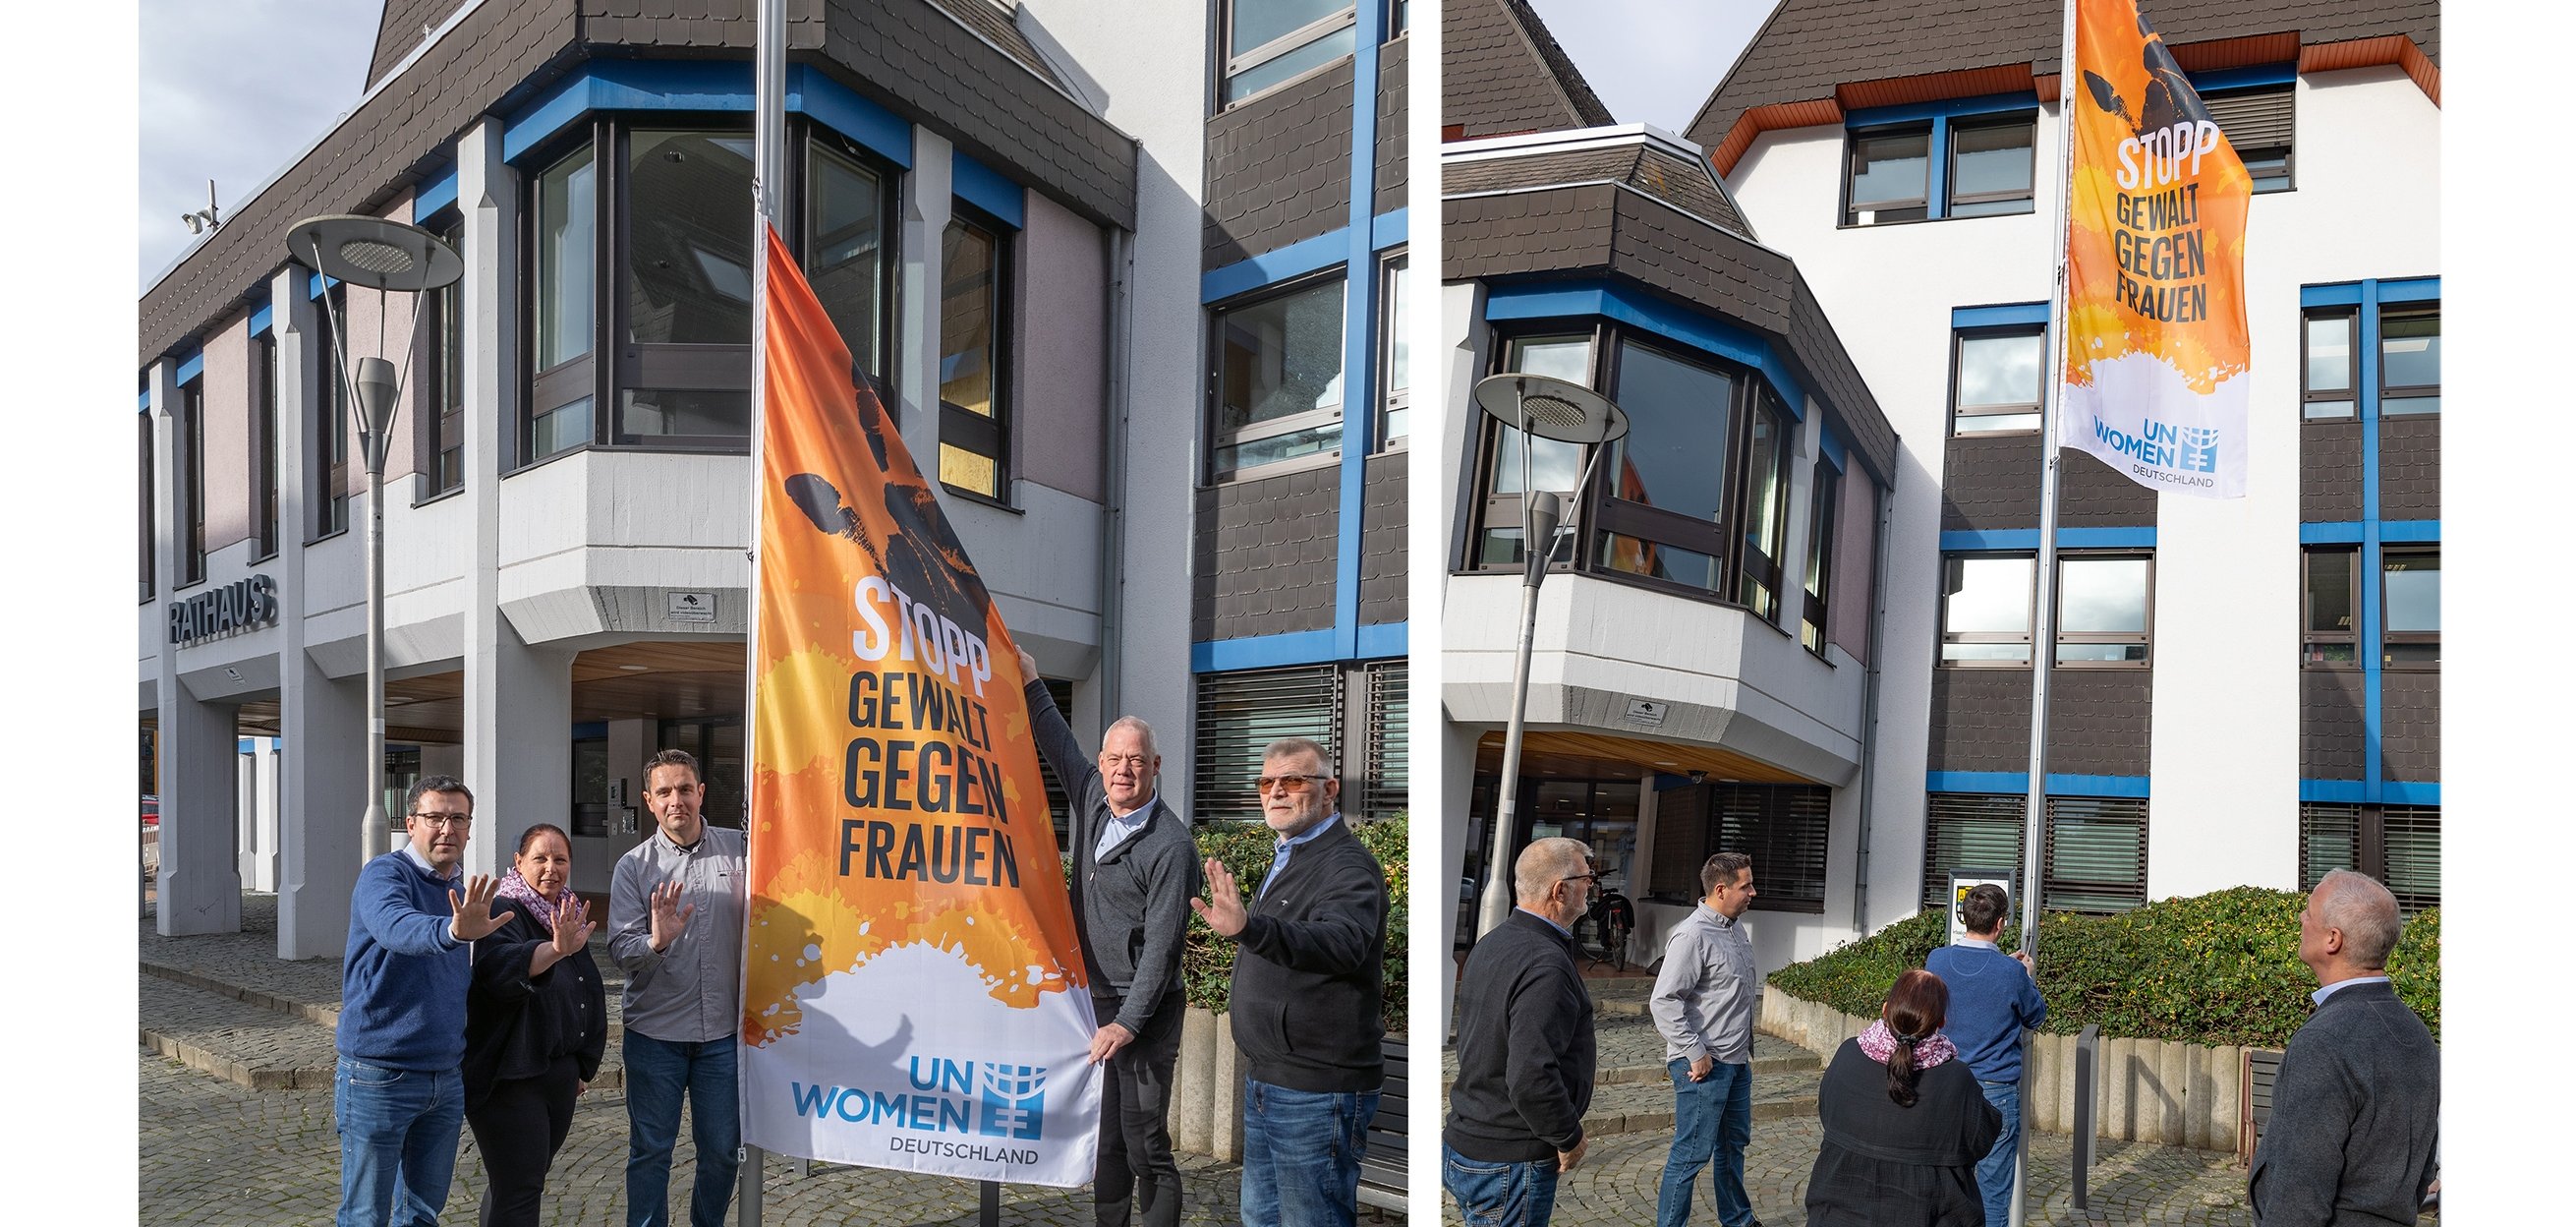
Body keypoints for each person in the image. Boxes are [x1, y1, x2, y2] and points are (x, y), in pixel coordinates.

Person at [1018, 647, 1201, 1227]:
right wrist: (1029, 678)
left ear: (1156, 766)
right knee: (1107, 1140)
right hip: (1095, 1001)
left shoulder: (1170, 847)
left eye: (1136, 760)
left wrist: (1127, 1024)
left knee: (1146, 1142)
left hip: (1142, 1012)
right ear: (1103, 763)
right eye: (1115, 759)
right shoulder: (1096, 799)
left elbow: (1164, 951)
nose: (1124, 769)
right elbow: (1056, 743)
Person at [1190, 737, 1389, 1227]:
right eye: (1266, 783)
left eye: (1293, 780)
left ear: (1329, 790)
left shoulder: (1346, 864)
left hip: (1317, 1089)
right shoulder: (1290, 855)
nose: (1276, 791)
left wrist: (1250, 929)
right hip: (1270, 1078)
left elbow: (1342, 943)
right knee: (1261, 1217)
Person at [335, 775, 507, 1227]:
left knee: (422, 1212)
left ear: (469, 829)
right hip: (379, 1074)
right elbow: (397, 926)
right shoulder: (384, 874)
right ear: (411, 823)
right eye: (434, 817)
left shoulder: (465, 891)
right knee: (364, 1215)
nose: (446, 828)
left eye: (458, 818)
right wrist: (450, 932)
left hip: (445, 1076)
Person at [2247, 870, 2439, 1226]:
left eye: (2309, 912)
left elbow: (2299, 1196)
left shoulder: (2324, 1041)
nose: (2301, 919)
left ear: (2332, 939)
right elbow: (2422, 1167)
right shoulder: (2418, 1034)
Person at [608, 749, 749, 1227]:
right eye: (665, 792)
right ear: (649, 801)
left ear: (701, 792)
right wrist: (656, 941)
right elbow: (622, 953)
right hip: (655, 1036)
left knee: (724, 1153)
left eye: (685, 789)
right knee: (650, 1152)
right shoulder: (633, 867)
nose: (677, 801)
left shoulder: (743, 850)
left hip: (723, 1037)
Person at [1441, 837, 1600, 1227]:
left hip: (1473, 1138)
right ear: (1560, 890)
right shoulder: (1544, 962)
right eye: (1587, 879)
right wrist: (1567, 1136)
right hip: (1509, 1158)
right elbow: (1530, 1075)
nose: (1591, 887)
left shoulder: (1494, 941)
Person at [463, 823, 607, 1227]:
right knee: (520, 1188)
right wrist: (554, 950)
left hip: (556, 1074)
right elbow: (501, 972)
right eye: (539, 858)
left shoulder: (565, 914)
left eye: (560, 859)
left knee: (516, 1184)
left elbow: (585, 990)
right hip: (510, 1076)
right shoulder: (503, 910)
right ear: (518, 862)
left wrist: (580, 1063)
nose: (551, 868)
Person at [1804, 969, 2002, 1226]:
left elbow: (1828, 1114)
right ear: (1940, 1022)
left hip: (1836, 1214)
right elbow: (1982, 1138)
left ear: (1885, 1009)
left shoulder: (1847, 1055)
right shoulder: (1956, 1078)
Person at [1922, 882, 2047, 1227]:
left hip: (1944, 1084)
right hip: (1996, 1091)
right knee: (1993, 1192)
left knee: (1945, 1182)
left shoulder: (1937, 959)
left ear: (1964, 918)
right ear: (2001, 923)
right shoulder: (2012, 973)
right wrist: (2026, 976)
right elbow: (2035, 1015)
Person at [1649, 852, 1762, 1227]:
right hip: (1703, 1066)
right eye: (1745, 885)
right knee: (1691, 1154)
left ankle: (1739, 1220)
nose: (1753, 892)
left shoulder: (1734, 928)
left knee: (1733, 1149)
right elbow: (1664, 1001)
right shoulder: (1692, 935)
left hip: (1736, 1062)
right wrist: (1695, 1052)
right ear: (1720, 889)